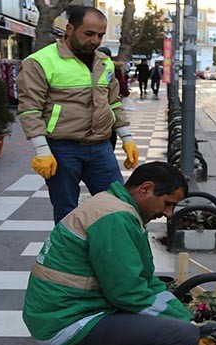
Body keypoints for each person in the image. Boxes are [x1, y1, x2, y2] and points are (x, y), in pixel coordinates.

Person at [23, 162, 205, 345]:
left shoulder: (115, 205)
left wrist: (180, 314)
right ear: (146, 189)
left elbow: (143, 278)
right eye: (168, 203)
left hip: (62, 314)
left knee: (171, 325)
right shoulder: (115, 217)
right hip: (63, 323)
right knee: (182, 337)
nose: (169, 213)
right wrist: (186, 325)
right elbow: (128, 294)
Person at [17, 6, 140, 223]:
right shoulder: (40, 62)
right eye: (89, 33)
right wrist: (42, 150)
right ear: (70, 28)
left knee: (118, 205)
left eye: (100, 35)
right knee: (66, 211)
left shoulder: (103, 62)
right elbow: (30, 110)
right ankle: (68, 256)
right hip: (62, 149)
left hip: (101, 147)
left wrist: (127, 139)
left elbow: (114, 103)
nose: (95, 40)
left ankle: (110, 252)